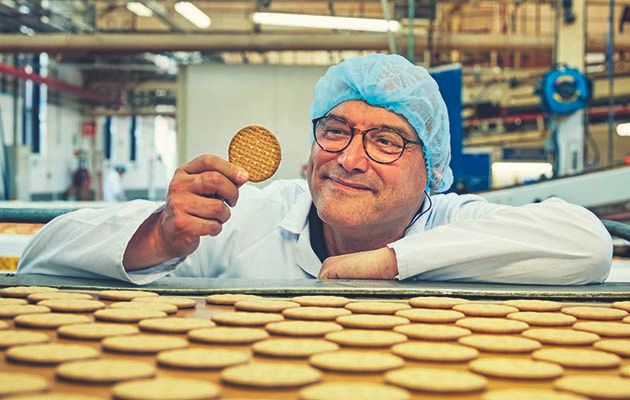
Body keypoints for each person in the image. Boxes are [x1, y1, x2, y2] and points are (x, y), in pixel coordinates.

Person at [18, 54, 611, 285]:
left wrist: (388, 264)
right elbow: (41, 254)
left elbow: (588, 244)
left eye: (385, 140)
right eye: (336, 131)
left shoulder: (454, 222)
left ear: (429, 170)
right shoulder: (245, 217)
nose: (349, 159)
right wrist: (159, 235)